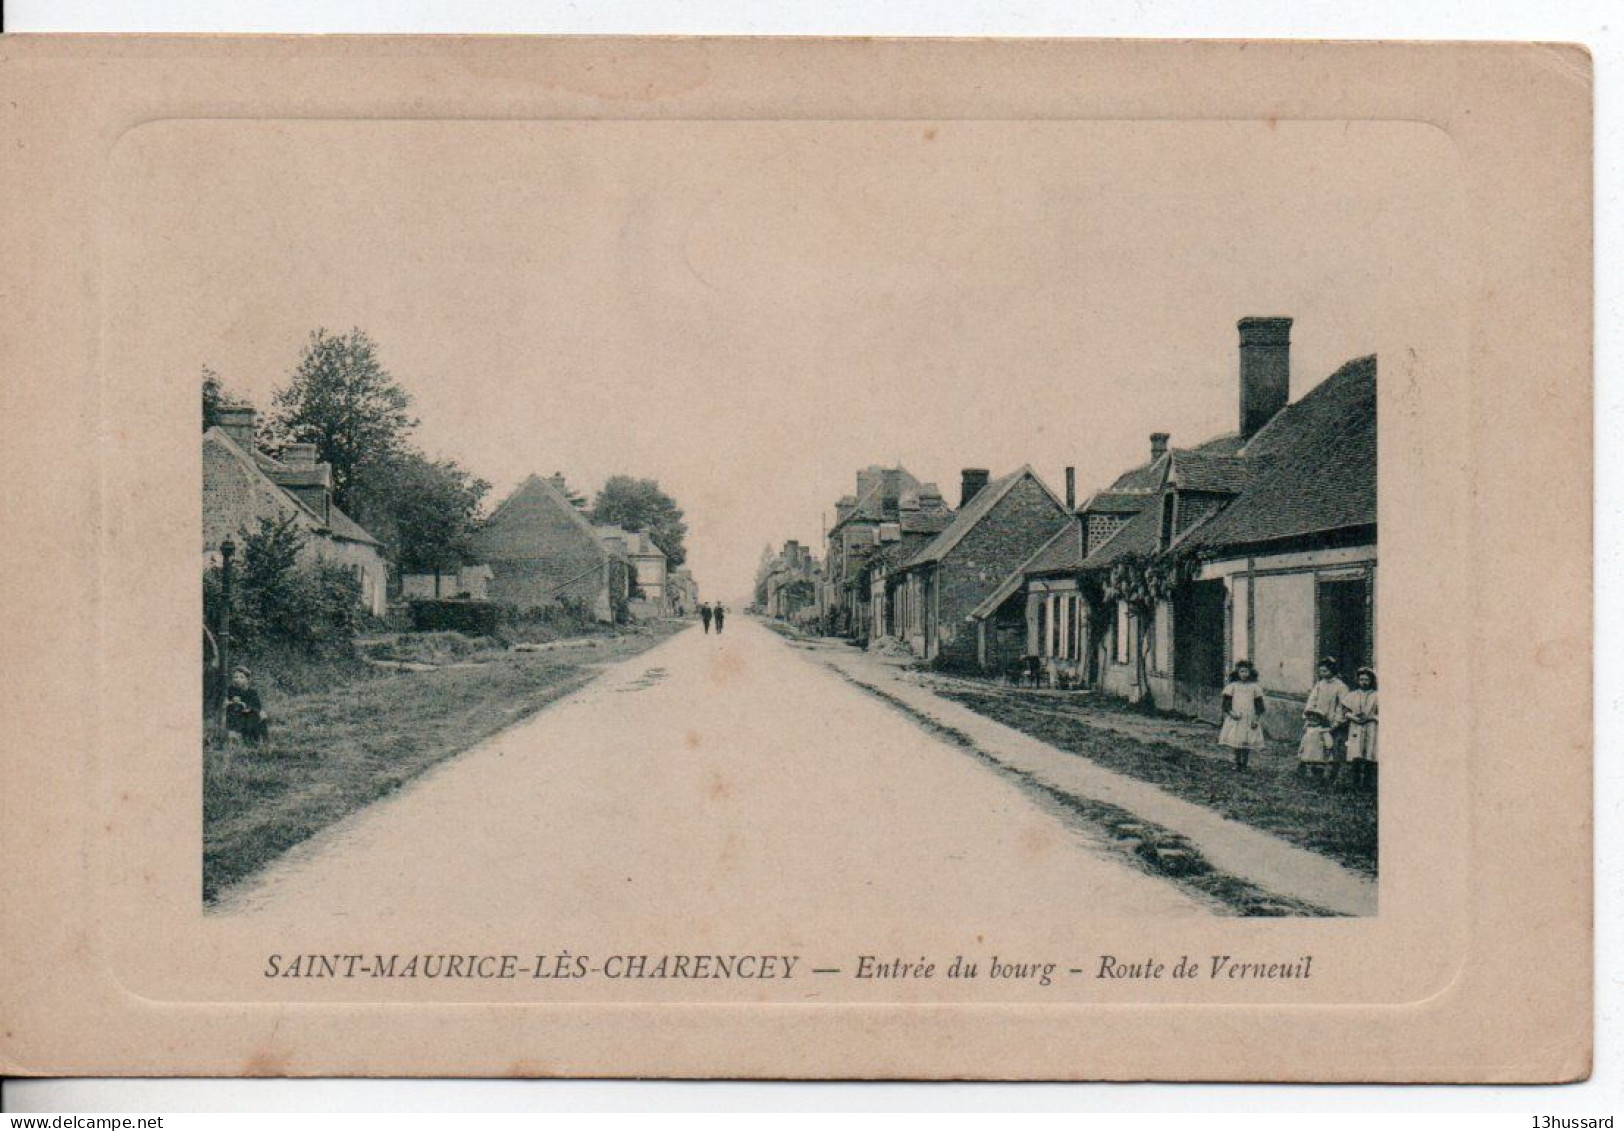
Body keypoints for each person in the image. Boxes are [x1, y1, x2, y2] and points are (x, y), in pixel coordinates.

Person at [1299, 656, 1349, 781]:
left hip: (1332, 720)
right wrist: (1309, 716)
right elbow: (1312, 700)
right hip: (1318, 719)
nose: (1322, 674)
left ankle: (1333, 773)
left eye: (1325, 671)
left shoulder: (1340, 686)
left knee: (1332, 746)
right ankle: (1316, 770)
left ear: (1332, 670)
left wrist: (1337, 721)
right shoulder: (1319, 685)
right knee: (1316, 744)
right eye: (1321, 671)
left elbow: (1342, 705)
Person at [1218, 660, 1267, 770]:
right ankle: (1236, 762)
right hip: (1237, 718)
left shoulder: (1254, 687)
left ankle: (1244, 763)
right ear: (1237, 673)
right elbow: (1226, 704)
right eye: (1242, 671)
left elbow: (1259, 706)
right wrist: (1231, 713)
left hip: (1249, 718)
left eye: (1246, 671)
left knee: (1247, 742)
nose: (1244, 674)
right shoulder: (1232, 686)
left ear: (1250, 673)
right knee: (1236, 741)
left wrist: (1256, 719)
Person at [1341, 666, 1379, 790]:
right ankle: (1355, 782)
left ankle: (1368, 783)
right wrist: (1353, 717)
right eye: (1361, 679)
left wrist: (1371, 717)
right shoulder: (1352, 695)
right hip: (1356, 726)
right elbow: (1345, 710)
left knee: (1370, 754)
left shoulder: (1377, 696)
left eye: (1366, 680)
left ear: (1371, 681)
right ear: (1357, 680)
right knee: (1356, 753)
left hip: (1371, 726)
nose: (1364, 682)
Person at [224, 666, 268, 744]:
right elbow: (227, 702)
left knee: (258, 716)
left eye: (241, 677)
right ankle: (235, 736)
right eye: (236, 677)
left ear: (247, 680)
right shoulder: (231, 690)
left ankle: (263, 741)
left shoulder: (252, 692)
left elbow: (257, 706)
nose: (238, 680)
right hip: (236, 717)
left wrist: (249, 707)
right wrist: (233, 702)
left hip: (249, 716)